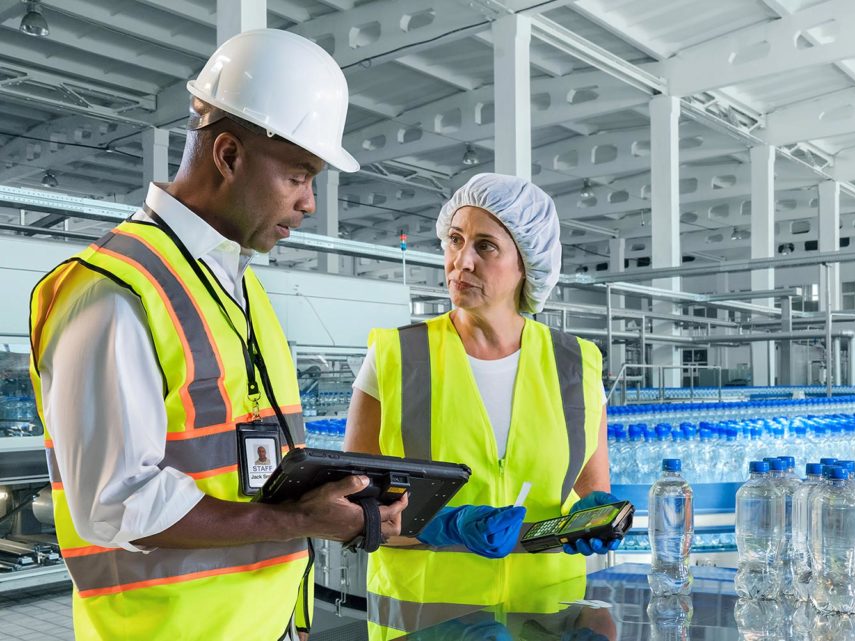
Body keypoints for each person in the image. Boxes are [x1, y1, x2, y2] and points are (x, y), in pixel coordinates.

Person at [28, 29, 405, 641]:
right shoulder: (111, 293)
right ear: (228, 155)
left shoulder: (240, 288)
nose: (309, 203)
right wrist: (298, 521)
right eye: (298, 176)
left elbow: (249, 464)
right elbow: (114, 504)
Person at [345, 173, 620, 639]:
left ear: (525, 264)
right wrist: (444, 526)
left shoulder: (576, 364)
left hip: (545, 619)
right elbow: (351, 507)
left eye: (486, 246)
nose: (461, 261)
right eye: (455, 240)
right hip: (425, 625)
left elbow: (592, 493)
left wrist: (598, 519)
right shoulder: (394, 356)